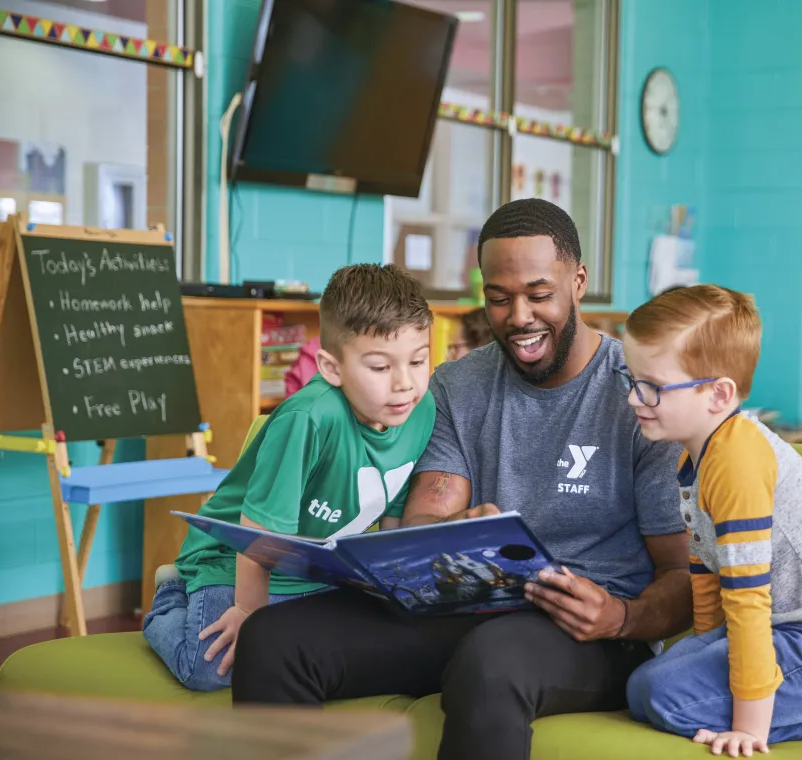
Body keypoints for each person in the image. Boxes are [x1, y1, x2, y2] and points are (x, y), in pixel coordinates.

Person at [230, 198, 691, 760]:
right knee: (275, 640)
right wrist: (453, 532)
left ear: (578, 283)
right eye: (499, 299)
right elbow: (427, 512)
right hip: (470, 607)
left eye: (539, 295)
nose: (518, 316)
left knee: (491, 660)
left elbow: (681, 574)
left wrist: (621, 617)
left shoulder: (639, 396)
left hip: (591, 632)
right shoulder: (457, 385)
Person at [622, 285, 802, 756]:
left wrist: (748, 729)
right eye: (631, 379)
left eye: (651, 386)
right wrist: (704, 648)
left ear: (718, 394)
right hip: (785, 630)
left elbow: (747, 596)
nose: (634, 398)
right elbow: (708, 575)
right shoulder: (693, 458)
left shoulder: (737, 461)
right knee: (644, 685)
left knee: (661, 694)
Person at [143, 264, 437, 691]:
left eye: (418, 360)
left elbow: (391, 509)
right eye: (379, 367)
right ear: (331, 368)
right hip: (232, 562)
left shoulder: (420, 410)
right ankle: (172, 596)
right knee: (209, 669)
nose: (405, 384)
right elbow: (256, 533)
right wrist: (248, 613)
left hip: (312, 574)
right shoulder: (309, 418)